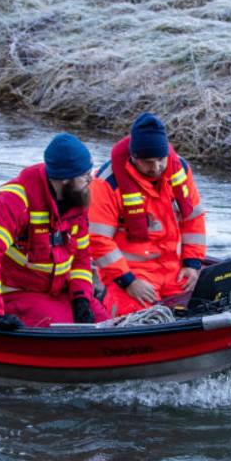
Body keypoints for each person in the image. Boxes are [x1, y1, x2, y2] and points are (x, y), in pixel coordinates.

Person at [0, 133, 108, 330]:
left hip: (58, 289)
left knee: (104, 321)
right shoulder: (14, 200)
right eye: (84, 175)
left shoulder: (76, 200)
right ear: (65, 179)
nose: (90, 179)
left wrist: (81, 298)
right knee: (61, 331)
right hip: (18, 291)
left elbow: (81, 259)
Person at [88, 113, 207, 316]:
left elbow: (193, 220)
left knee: (202, 307)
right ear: (133, 158)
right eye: (148, 162)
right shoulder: (106, 183)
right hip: (130, 274)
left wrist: (192, 264)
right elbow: (98, 240)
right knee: (134, 318)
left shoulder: (180, 171)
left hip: (175, 270)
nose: (156, 168)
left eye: (161, 160)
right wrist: (128, 281)